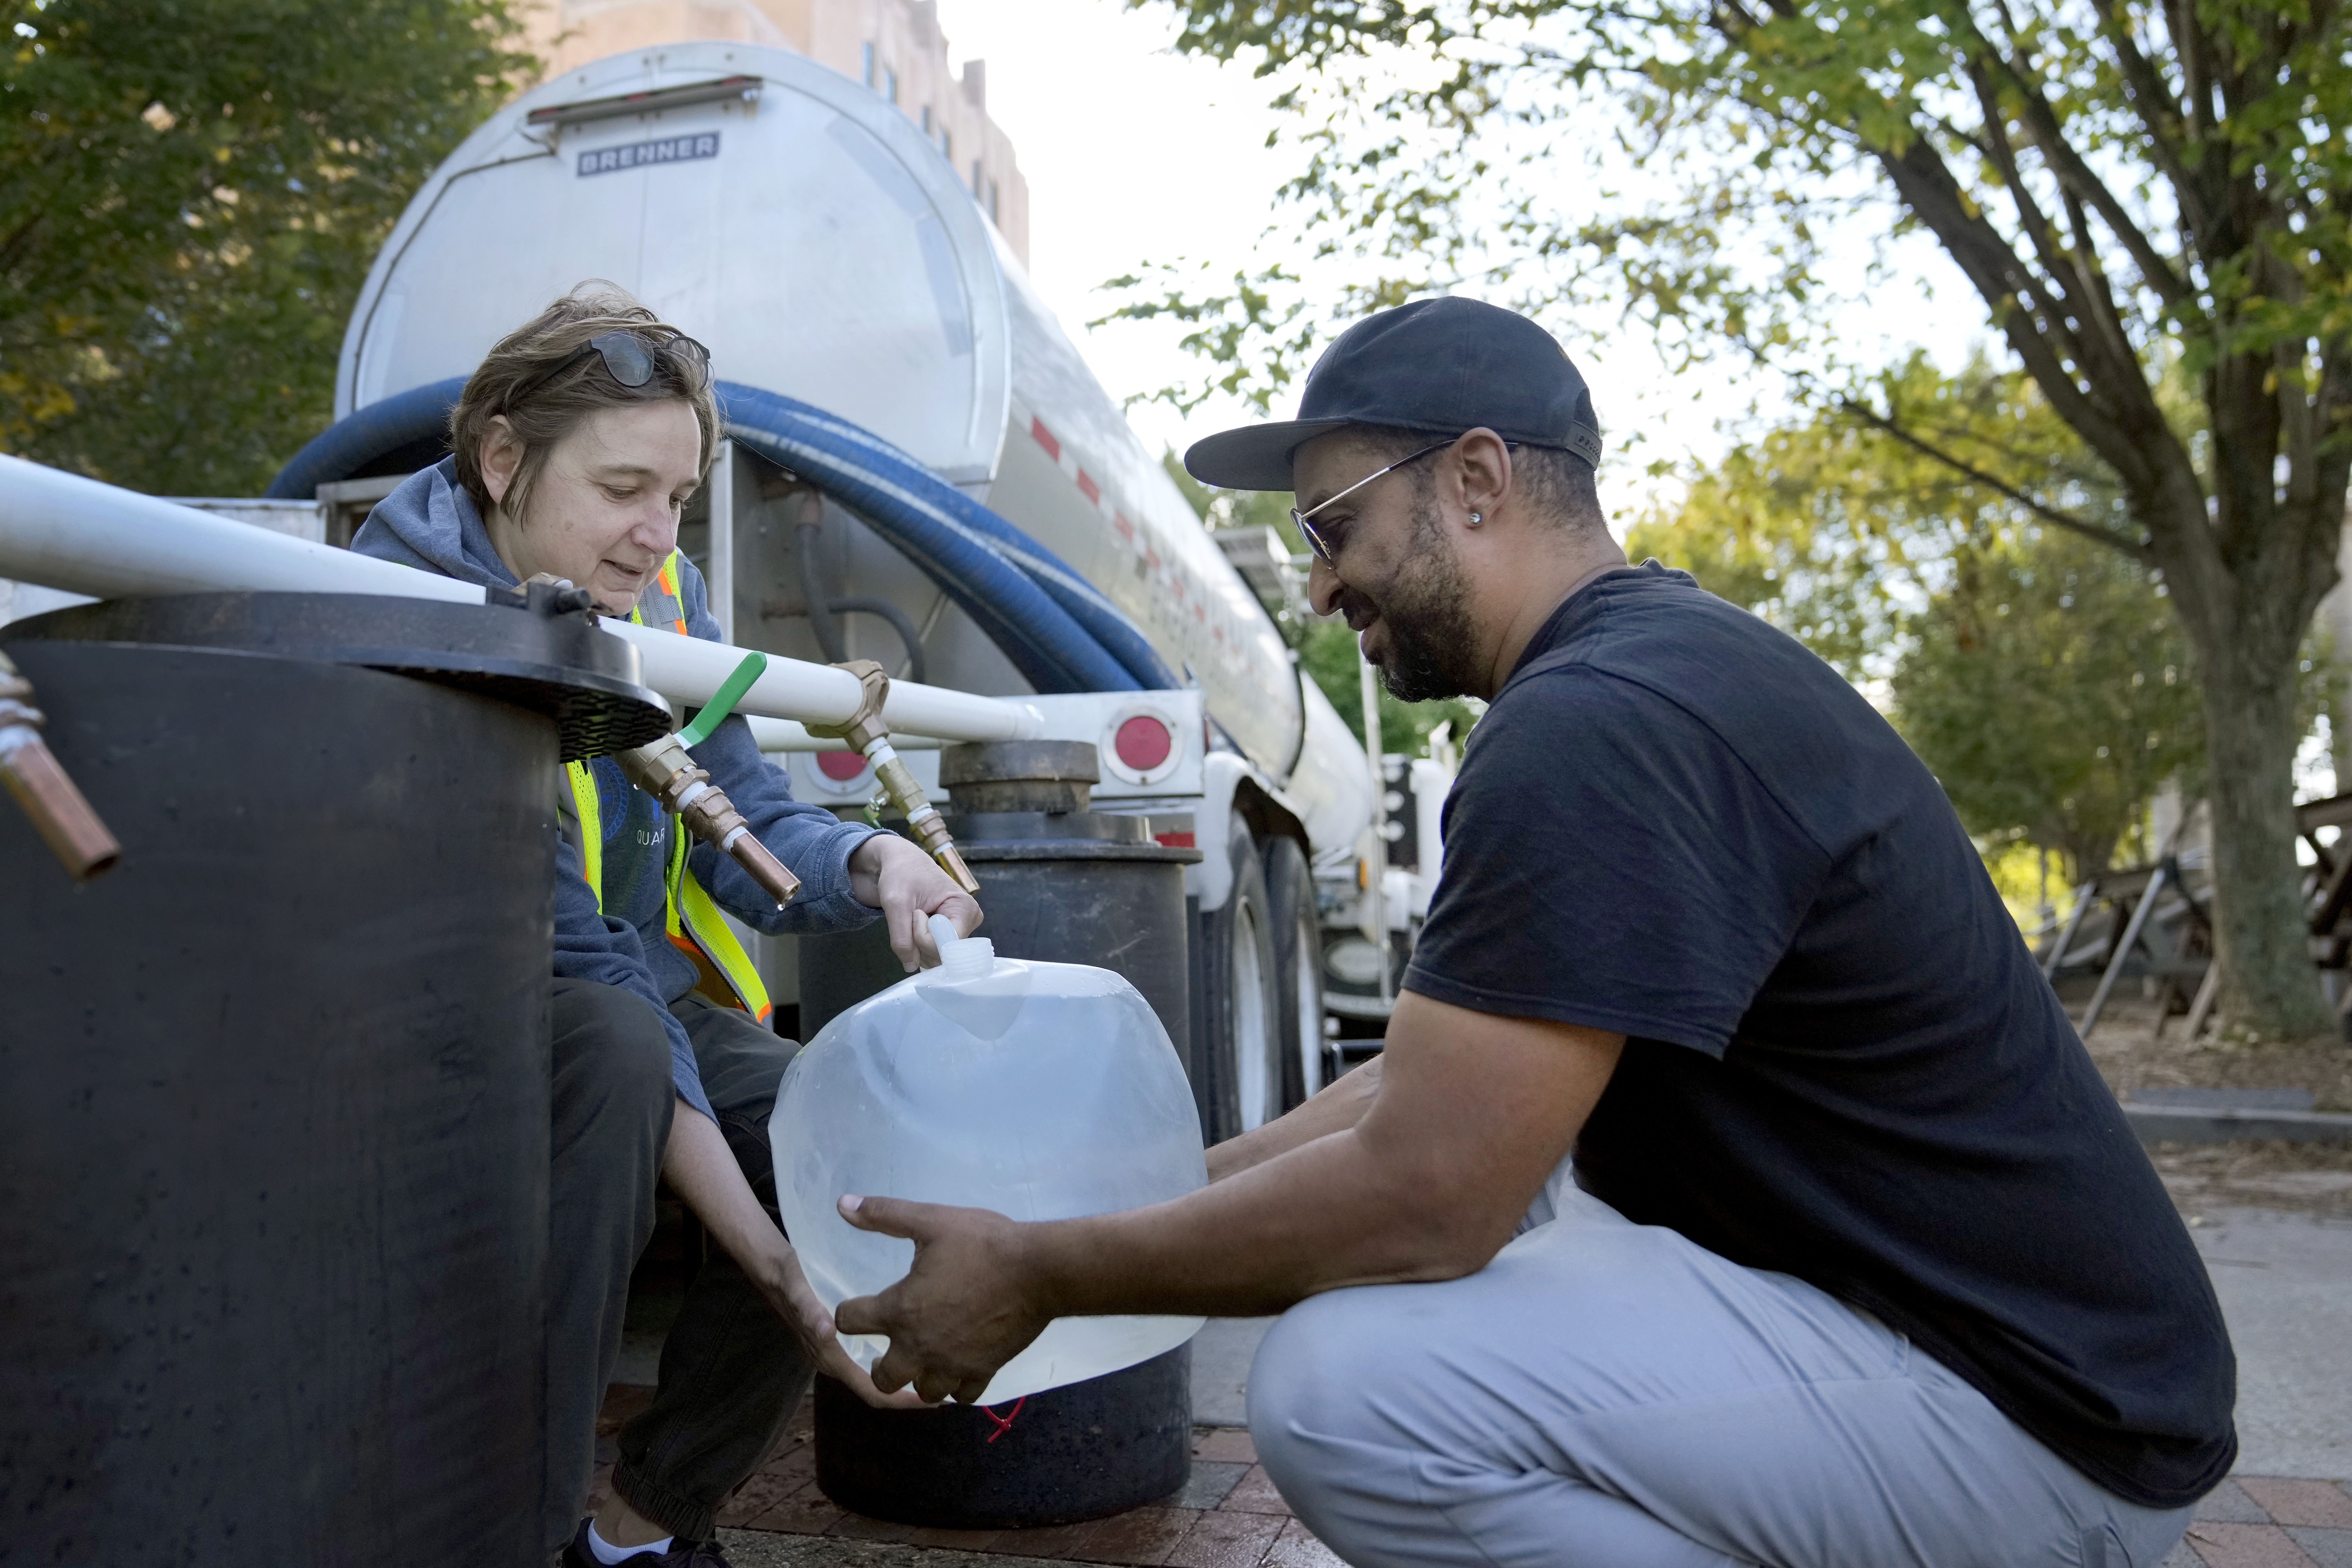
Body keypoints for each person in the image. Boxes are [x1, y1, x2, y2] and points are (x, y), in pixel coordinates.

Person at [823, 297, 2236, 1568]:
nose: (1319, 587)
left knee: (1353, 1391)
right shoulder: (1642, 676)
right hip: (2008, 1364)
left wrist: (1043, 1276)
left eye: (1336, 529)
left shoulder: (1597, 726)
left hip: (2035, 1431)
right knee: (1518, 1229)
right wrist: (1144, 1201)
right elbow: (1435, 1085)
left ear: (1480, 479)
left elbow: (1431, 1190)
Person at [353, 284, 977, 1568]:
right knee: (622, 1060)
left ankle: (642, 1522)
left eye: (679, 496)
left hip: (628, 978)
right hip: (450, 992)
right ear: (504, 459)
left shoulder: (669, 599)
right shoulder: (408, 593)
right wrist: (777, 1272)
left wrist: (874, 862)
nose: (657, 534)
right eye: (625, 487)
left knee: (825, 1125)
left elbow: (743, 819)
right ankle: (504, 1517)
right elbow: (566, 944)